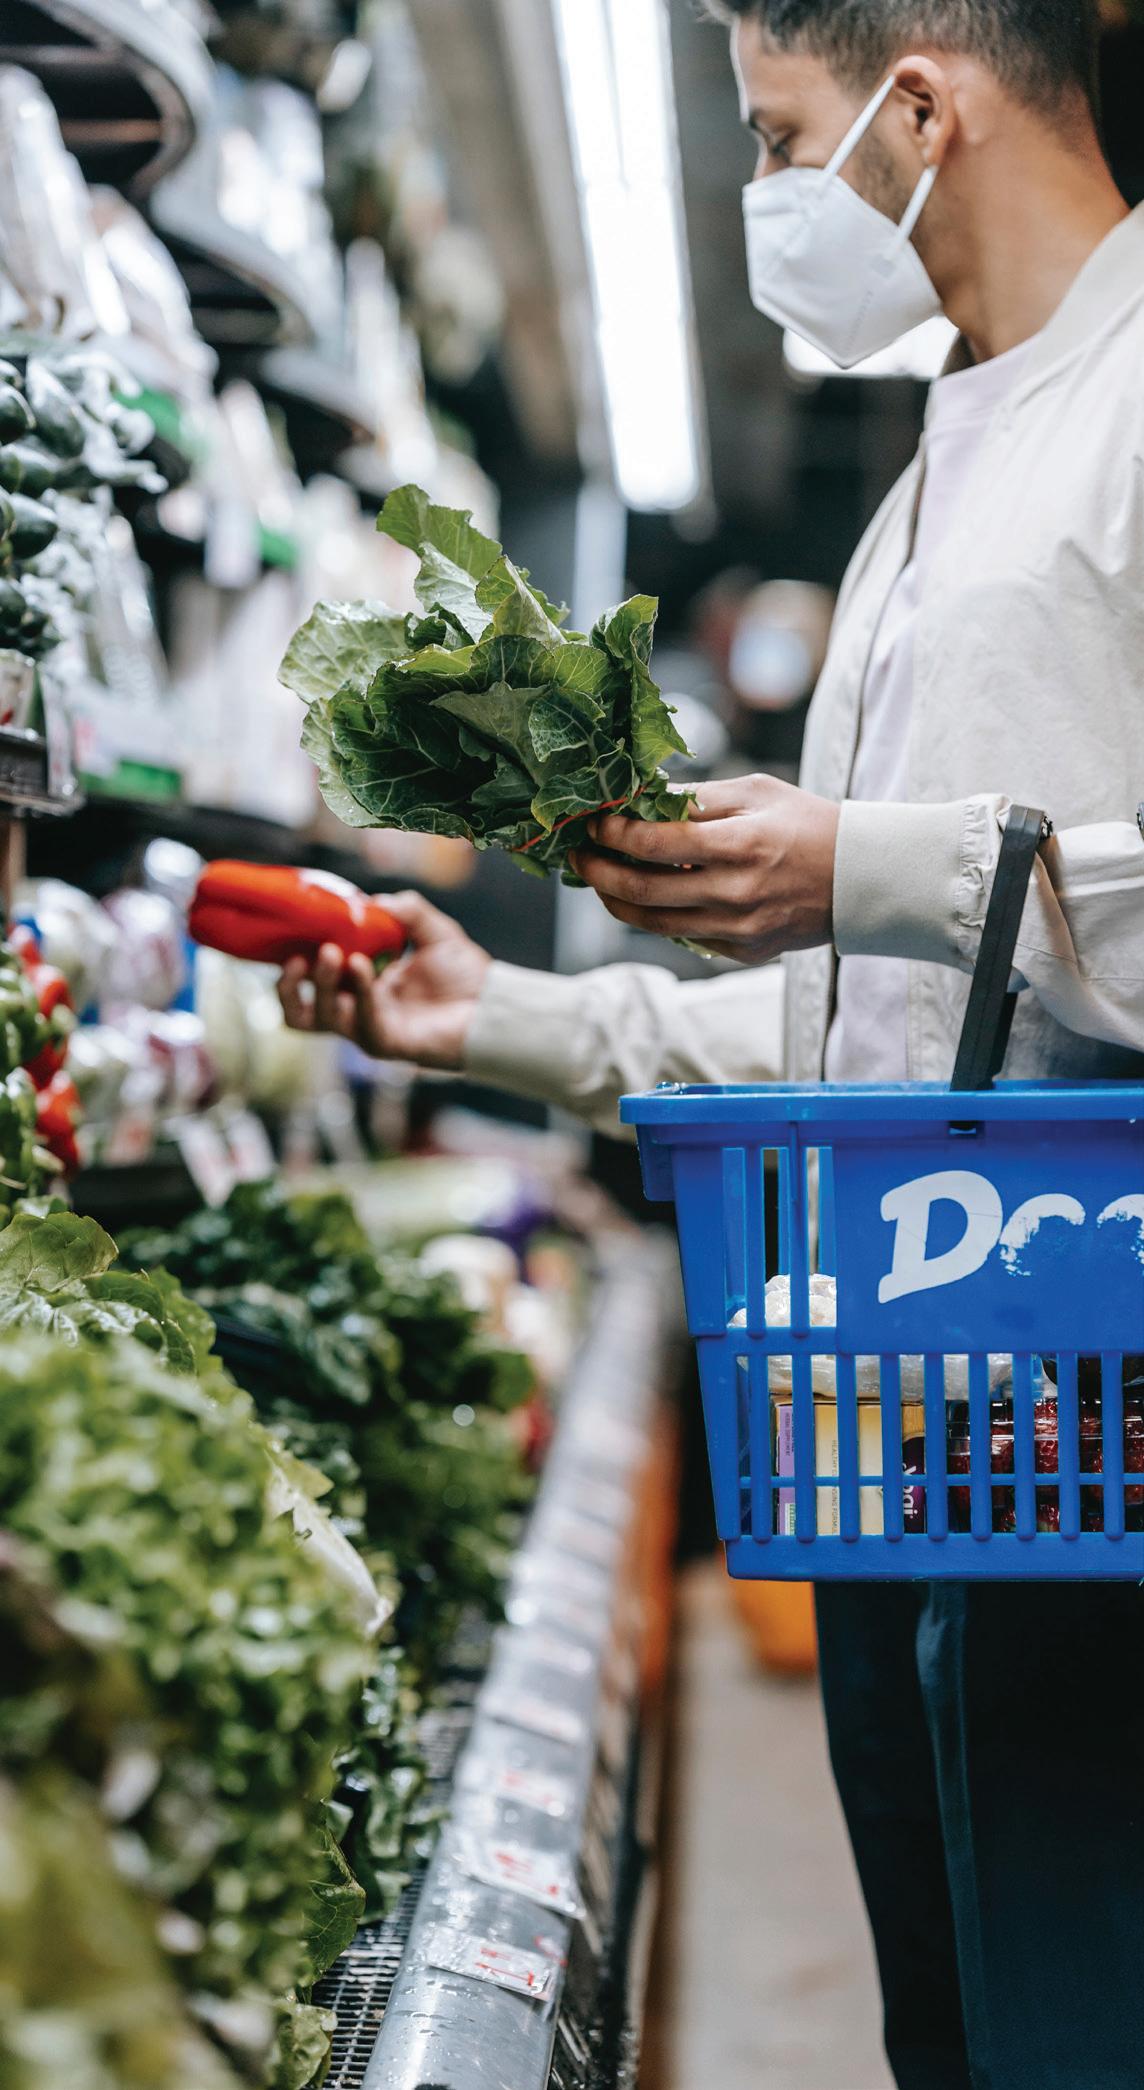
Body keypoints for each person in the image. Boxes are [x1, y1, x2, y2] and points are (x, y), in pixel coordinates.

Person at [280, 3, 1144, 2084]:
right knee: (967, 2032)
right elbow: (895, 1020)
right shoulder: (935, 480)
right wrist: (497, 1013)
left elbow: (935, 911)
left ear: (919, 102)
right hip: (933, 1456)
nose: (767, 194)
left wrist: (872, 862)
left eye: (774, 136)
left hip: (1103, 1451)